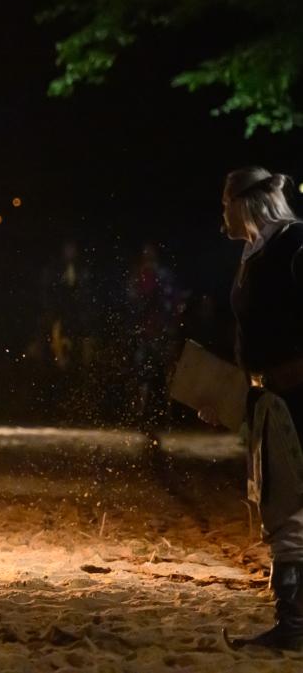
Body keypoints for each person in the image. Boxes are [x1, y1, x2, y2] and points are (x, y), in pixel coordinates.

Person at [213, 167, 303, 650]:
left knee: (290, 513)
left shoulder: (293, 245)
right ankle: (292, 623)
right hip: (272, 399)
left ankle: (294, 629)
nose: (220, 214)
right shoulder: (257, 252)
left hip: (297, 398)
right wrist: (232, 394)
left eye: (224, 204)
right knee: (284, 512)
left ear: (243, 204)